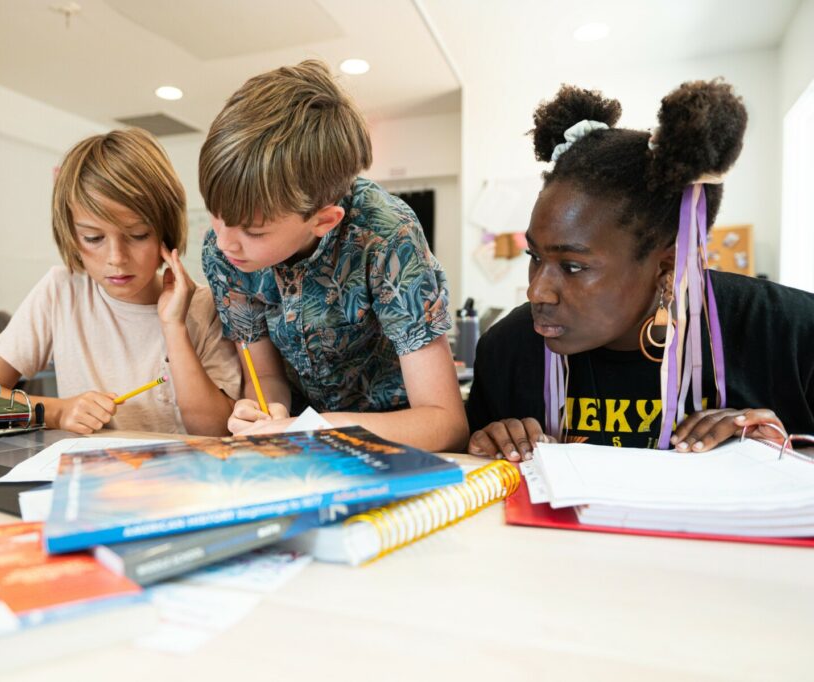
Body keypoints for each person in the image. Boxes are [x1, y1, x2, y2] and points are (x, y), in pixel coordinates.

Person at [466, 80, 814, 461]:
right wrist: (488, 448)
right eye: (535, 257)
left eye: (573, 266)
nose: (537, 292)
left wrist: (785, 453)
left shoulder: (791, 335)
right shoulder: (507, 351)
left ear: (667, 266)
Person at [201, 60, 468, 453]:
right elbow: (266, 378)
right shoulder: (224, 253)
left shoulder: (386, 235)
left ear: (324, 220)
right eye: (216, 215)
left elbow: (445, 421)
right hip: (302, 442)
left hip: (399, 441)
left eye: (254, 231)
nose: (224, 242)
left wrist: (323, 427)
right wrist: (266, 412)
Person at [0, 128, 241, 435]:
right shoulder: (62, 290)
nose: (116, 257)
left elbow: (215, 432)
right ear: (71, 236)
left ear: (165, 230)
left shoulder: (206, 306)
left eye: (138, 235)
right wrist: (58, 411)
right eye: (93, 238)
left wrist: (174, 328)